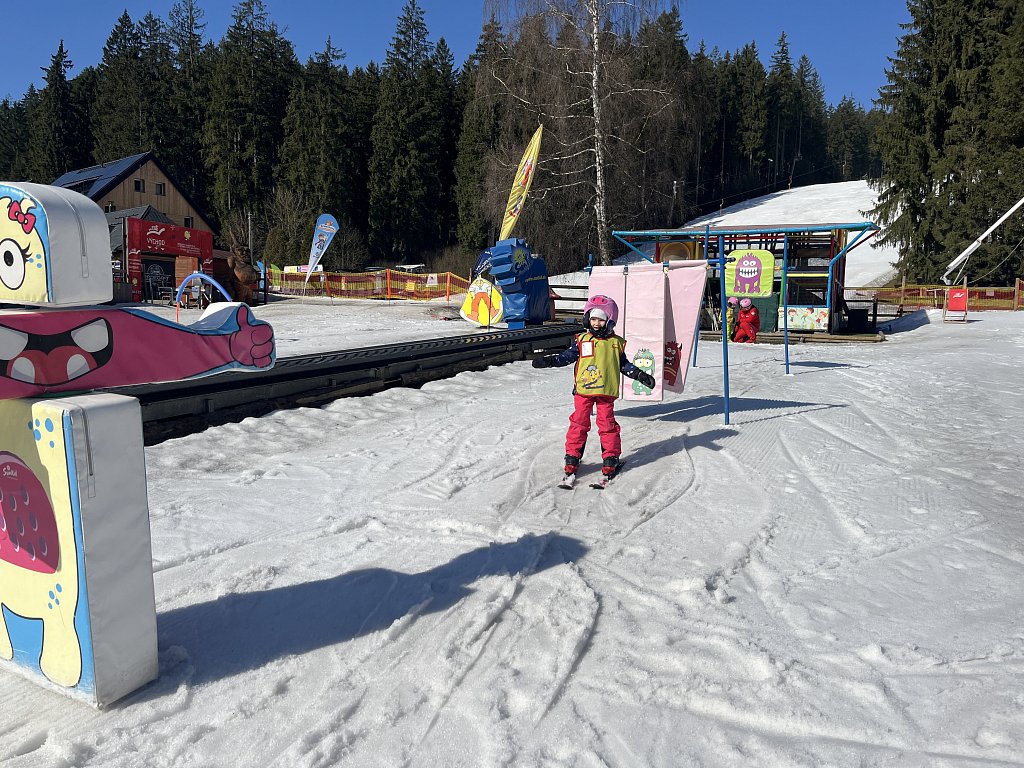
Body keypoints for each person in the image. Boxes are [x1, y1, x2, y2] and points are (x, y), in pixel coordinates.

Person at [532, 295, 656, 477]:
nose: (596, 323)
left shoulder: (615, 343)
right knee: (579, 423)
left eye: (601, 320)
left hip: (606, 392)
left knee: (607, 425)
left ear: (610, 321)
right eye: (593, 319)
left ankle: (610, 459)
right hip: (583, 392)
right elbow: (566, 357)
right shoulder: (582, 340)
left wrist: (639, 375)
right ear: (587, 319)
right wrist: (550, 361)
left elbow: (623, 365)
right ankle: (572, 457)